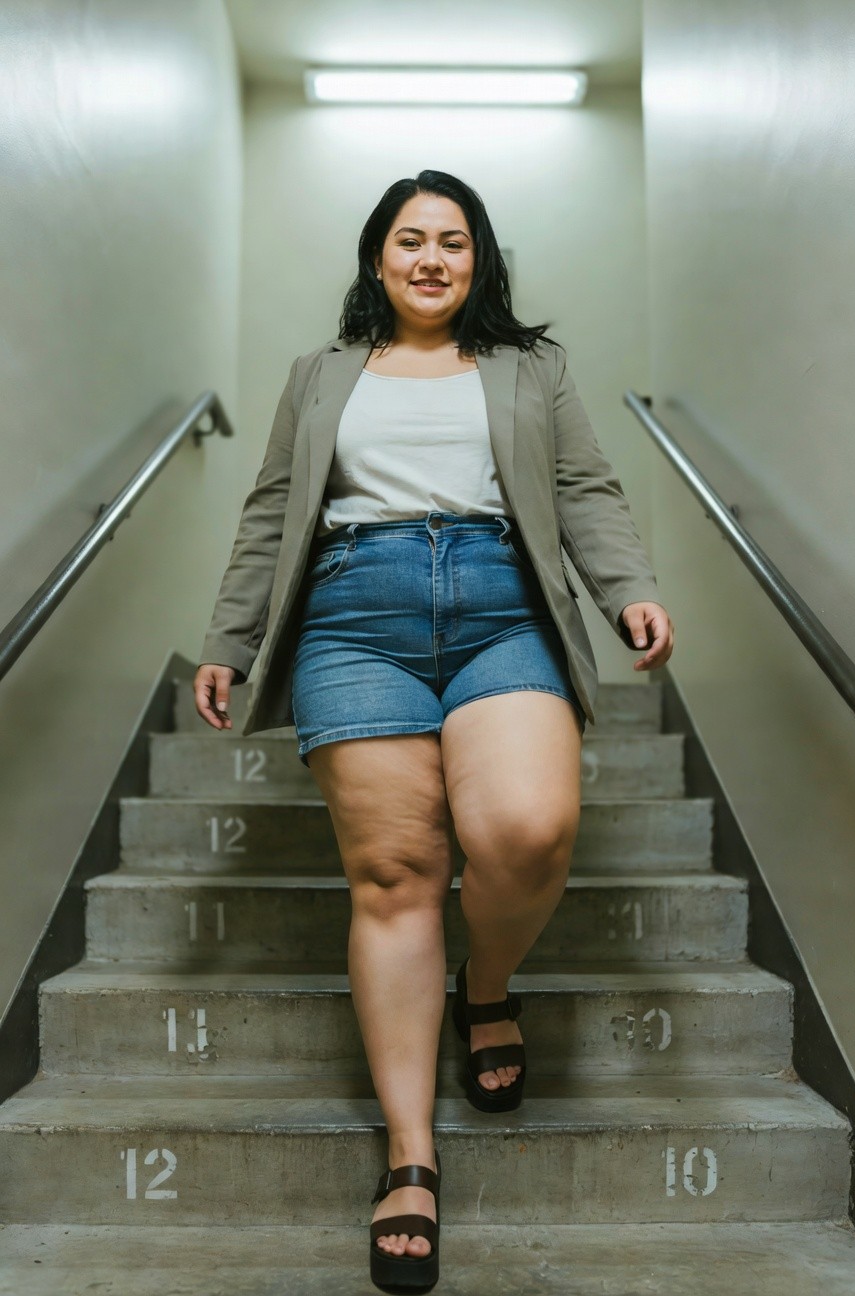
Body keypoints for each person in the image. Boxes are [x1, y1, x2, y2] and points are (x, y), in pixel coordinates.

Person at [194, 168, 673, 1294]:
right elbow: (270, 513)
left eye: (453, 242)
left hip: (506, 606)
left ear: (479, 260)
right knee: (397, 874)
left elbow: (586, 488)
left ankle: (486, 983)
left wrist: (628, 589)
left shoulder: (532, 367)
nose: (431, 259)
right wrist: (228, 637)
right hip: (354, 616)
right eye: (410, 240)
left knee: (528, 830)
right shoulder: (319, 374)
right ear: (378, 257)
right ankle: (411, 1158)